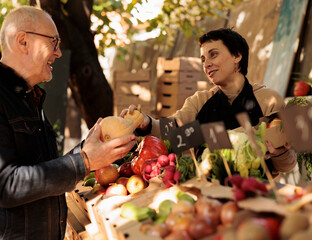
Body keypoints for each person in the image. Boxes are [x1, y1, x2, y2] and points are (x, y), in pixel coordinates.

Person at [0, 6, 136, 240]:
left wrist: (86, 150)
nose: (58, 53)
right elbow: (5, 185)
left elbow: (42, 171)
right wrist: (85, 161)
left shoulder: (28, 97)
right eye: (54, 42)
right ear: (23, 41)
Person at [122, 27, 296, 176]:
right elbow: (173, 131)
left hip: (253, 192)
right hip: (205, 189)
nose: (207, 65)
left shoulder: (268, 99)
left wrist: (279, 154)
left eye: (213, 55)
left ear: (237, 55)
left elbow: (287, 165)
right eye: (203, 59)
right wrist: (146, 122)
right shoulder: (200, 101)